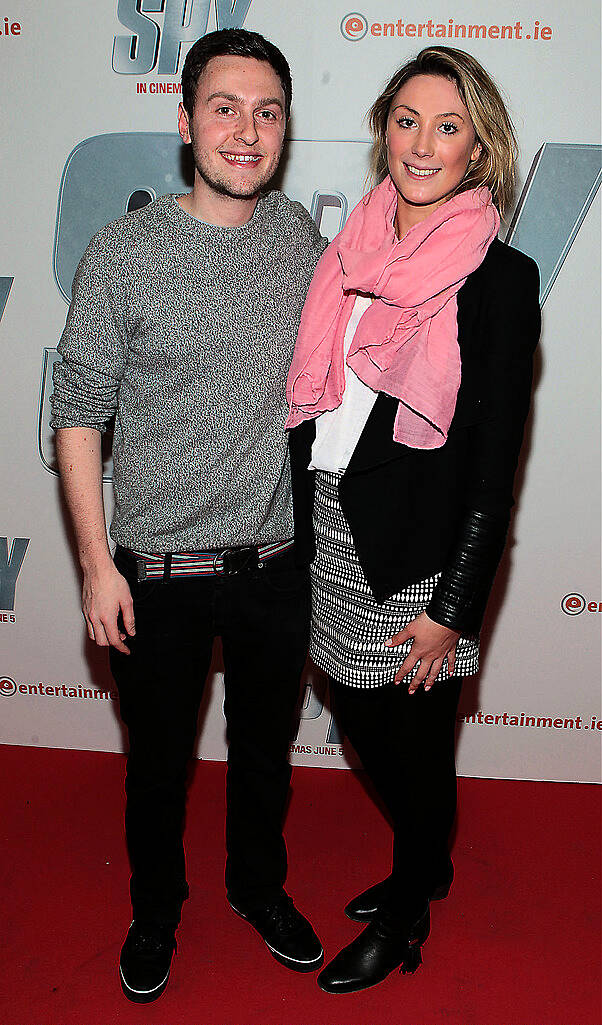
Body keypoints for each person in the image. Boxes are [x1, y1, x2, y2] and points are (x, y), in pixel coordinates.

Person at [51, 28, 326, 1004]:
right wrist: (93, 564)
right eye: (223, 106)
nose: (245, 131)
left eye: (266, 111)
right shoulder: (123, 253)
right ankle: (155, 910)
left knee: (264, 757)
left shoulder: (298, 237)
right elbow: (77, 412)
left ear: (285, 130)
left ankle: (256, 887)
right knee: (156, 769)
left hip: (274, 562)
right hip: (156, 571)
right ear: (183, 121)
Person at [286, 46, 541, 994]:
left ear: (478, 150)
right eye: (406, 120)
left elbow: (494, 465)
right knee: (353, 705)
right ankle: (427, 856)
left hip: (424, 556)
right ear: (381, 129)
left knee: (417, 742)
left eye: (448, 126)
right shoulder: (345, 248)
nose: (422, 144)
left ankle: (407, 909)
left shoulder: (500, 281)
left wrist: (455, 606)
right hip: (331, 518)